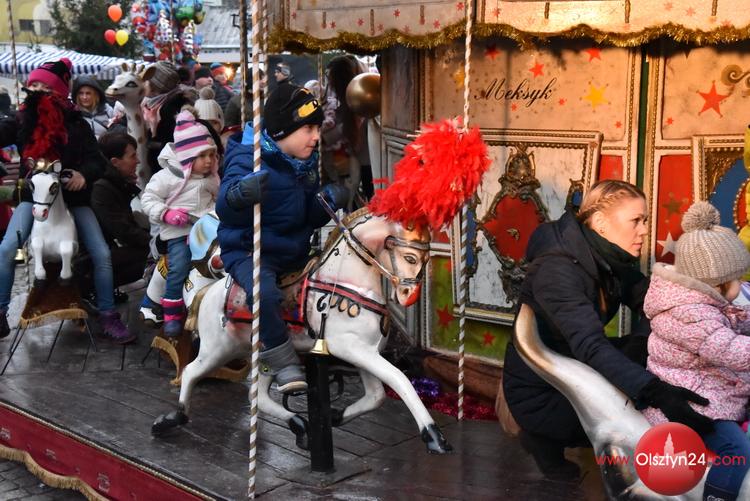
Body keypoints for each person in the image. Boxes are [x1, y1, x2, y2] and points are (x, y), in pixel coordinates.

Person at [502, 180, 713, 479]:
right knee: (636, 404)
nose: (644, 230)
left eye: (645, 221)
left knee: (650, 352)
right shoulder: (557, 270)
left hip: (575, 364)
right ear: (601, 223)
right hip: (544, 391)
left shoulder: (605, 256)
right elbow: (590, 346)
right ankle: (542, 437)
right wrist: (656, 392)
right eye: (635, 221)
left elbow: (654, 302)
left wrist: (697, 320)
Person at [216, 82, 348, 393]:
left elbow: (305, 215)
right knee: (265, 293)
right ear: (281, 132)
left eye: (317, 128)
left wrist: (326, 202)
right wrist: (239, 195)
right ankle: (281, 357)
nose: (316, 137)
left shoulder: (302, 164)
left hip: (292, 248)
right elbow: (225, 208)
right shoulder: (249, 157)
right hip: (250, 248)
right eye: (308, 129)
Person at [0, 58, 134, 343]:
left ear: (58, 91)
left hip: (73, 200)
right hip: (34, 198)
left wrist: (83, 174)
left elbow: (97, 162)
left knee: (101, 252)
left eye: (43, 86)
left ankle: (108, 314)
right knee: (7, 247)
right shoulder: (23, 119)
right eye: (33, 85)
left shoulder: (77, 124)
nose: (36, 90)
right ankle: (0, 312)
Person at [643, 201, 750, 501]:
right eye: (737, 279)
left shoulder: (704, 304)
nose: (741, 285)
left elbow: (733, 321)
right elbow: (728, 348)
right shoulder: (690, 314)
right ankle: (717, 496)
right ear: (717, 284)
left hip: (709, 384)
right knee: (737, 450)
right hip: (696, 402)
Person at [141, 109, 219, 337]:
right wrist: (166, 213)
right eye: (202, 156)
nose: (208, 161)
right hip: (180, 233)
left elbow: (219, 200)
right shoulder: (166, 178)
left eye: (211, 155)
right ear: (187, 156)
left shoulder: (211, 178)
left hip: (208, 232)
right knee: (180, 265)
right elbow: (148, 199)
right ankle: (172, 311)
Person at [93, 132, 150, 294]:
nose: (138, 161)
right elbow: (123, 231)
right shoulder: (102, 189)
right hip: (101, 260)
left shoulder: (117, 184)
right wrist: (155, 241)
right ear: (115, 162)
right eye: (132, 156)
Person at [321, 55, 373, 200]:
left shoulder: (357, 105)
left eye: (330, 80)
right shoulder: (344, 107)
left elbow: (333, 136)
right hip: (360, 164)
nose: (329, 85)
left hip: (365, 165)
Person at [142, 61, 197, 176]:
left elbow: (167, 142)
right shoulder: (157, 104)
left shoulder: (168, 109)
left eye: (147, 81)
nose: (144, 83)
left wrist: (152, 140)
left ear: (155, 85)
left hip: (168, 171)